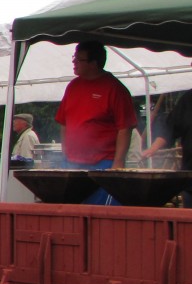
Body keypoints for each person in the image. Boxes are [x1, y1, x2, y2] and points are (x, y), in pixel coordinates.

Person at [55, 41, 137, 204]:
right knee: (75, 211)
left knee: (101, 215)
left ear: (94, 63)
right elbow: (63, 122)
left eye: (79, 59)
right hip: (72, 163)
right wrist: (65, 151)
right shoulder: (72, 86)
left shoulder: (115, 89)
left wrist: (118, 164)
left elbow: (124, 129)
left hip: (103, 164)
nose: (74, 62)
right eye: (74, 58)